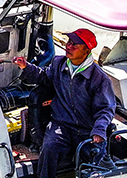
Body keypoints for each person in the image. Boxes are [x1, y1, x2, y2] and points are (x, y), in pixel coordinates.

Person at [13, 28, 116, 178]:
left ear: (86, 51)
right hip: (61, 125)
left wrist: (99, 130)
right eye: (69, 42)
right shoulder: (58, 63)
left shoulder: (100, 79)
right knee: (49, 148)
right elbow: (44, 77)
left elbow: (106, 109)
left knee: (96, 164)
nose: (69, 46)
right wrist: (26, 67)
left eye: (75, 45)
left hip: (88, 129)